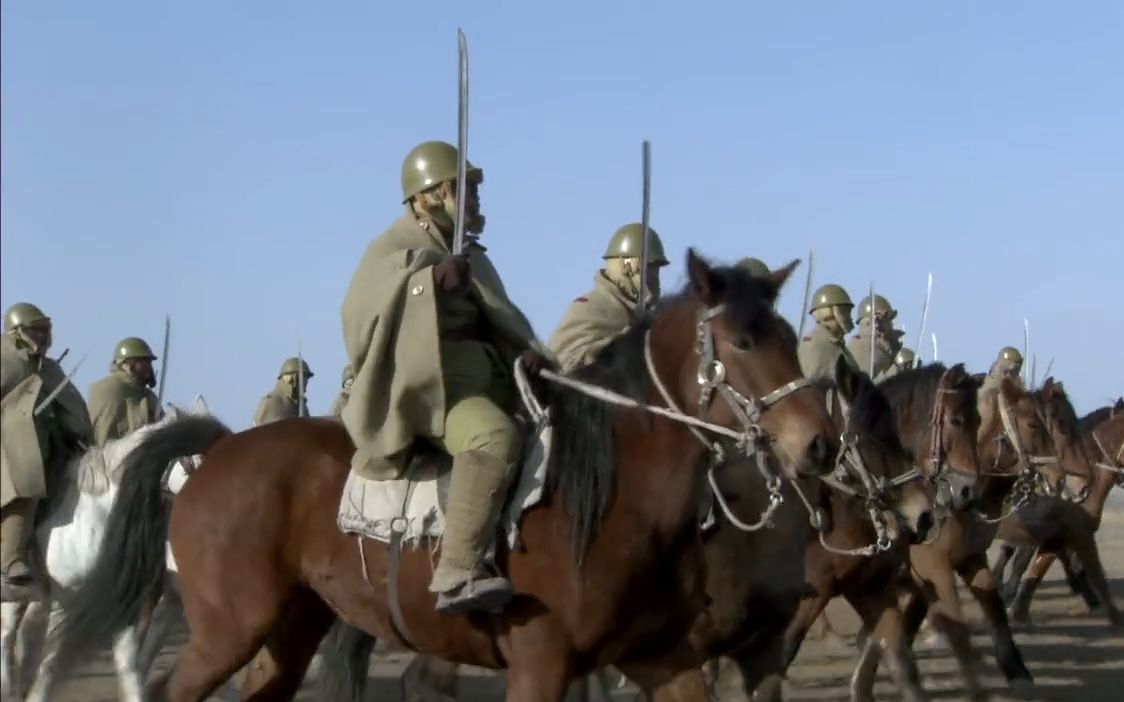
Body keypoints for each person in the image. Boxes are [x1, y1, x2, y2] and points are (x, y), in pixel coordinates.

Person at [339, 140, 552, 614]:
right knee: (495, 438)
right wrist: (427, 283)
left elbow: (502, 321)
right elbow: (359, 315)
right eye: (466, 189)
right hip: (436, 396)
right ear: (429, 195)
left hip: (494, 383)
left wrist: (528, 354)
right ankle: (458, 570)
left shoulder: (476, 258)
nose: (476, 200)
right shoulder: (393, 248)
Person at [1, 303, 93, 601]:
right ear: (17, 333)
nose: (41, 335)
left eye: (45, 329)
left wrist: (80, 434)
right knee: (24, 485)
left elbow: (73, 408)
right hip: (10, 446)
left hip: (50, 444)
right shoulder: (4, 359)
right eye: (34, 329)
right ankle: (11, 559)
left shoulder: (50, 368)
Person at [547, 223, 669, 372]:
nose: (654, 275)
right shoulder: (589, 306)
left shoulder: (650, 317)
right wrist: (628, 341)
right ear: (628, 266)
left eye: (657, 268)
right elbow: (565, 363)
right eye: (650, 266)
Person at [87, 337, 163, 446]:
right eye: (143, 361)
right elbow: (100, 433)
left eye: (149, 362)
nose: (149, 366)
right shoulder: (107, 388)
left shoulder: (149, 396)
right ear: (127, 363)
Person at [797, 284, 860, 383]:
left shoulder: (837, 344)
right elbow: (812, 389)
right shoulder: (815, 345)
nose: (849, 317)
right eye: (844, 311)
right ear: (828, 313)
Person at [847, 294, 896, 379]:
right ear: (876, 321)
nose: (892, 324)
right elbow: (863, 387)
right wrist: (895, 372)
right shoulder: (862, 348)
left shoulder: (880, 345)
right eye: (889, 319)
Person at [252, 357, 312, 425]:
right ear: (292, 378)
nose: (306, 381)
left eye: (307, 378)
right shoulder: (272, 400)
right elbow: (263, 431)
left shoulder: (301, 403)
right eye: (303, 377)